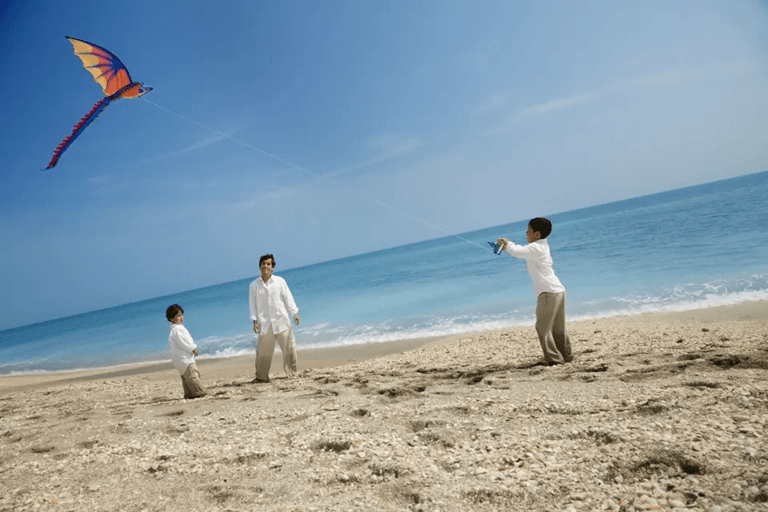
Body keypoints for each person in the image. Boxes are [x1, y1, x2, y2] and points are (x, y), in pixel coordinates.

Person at [497, 217, 573, 365]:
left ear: (537, 234)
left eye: (529, 231)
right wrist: (507, 246)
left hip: (548, 293)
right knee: (558, 328)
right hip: (557, 290)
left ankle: (554, 359)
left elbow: (518, 252)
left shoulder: (536, 247)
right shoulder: (541, 246)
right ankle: (566, 356)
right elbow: (521, 251)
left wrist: (508, 243)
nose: (526, 233)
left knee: (542, 327)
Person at [248, 253, 301, 382]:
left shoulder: (280, 281)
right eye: (263, 264)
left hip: (281, 321)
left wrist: (294, 313)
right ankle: (261, 377)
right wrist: (254, 321)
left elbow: (287, 297)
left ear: (272, 267)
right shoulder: (254, 285)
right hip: (265, 324)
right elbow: (252, 304)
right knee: (263, 353)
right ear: (259, 266)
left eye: (268, 264)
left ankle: (292, 373)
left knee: (289, 349)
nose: (266, 266)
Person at [166, 304, 207, 399]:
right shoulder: (177, 329)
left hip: (180, 359)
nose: (181, 317)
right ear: (171, 318)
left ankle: (189, 393)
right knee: (192, 374)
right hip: (184, 358)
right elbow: (184, 341)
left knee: (186, 376)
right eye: (178, 316)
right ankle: (199, 391)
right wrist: (193, 348)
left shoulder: (175, 330)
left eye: (181, 315)